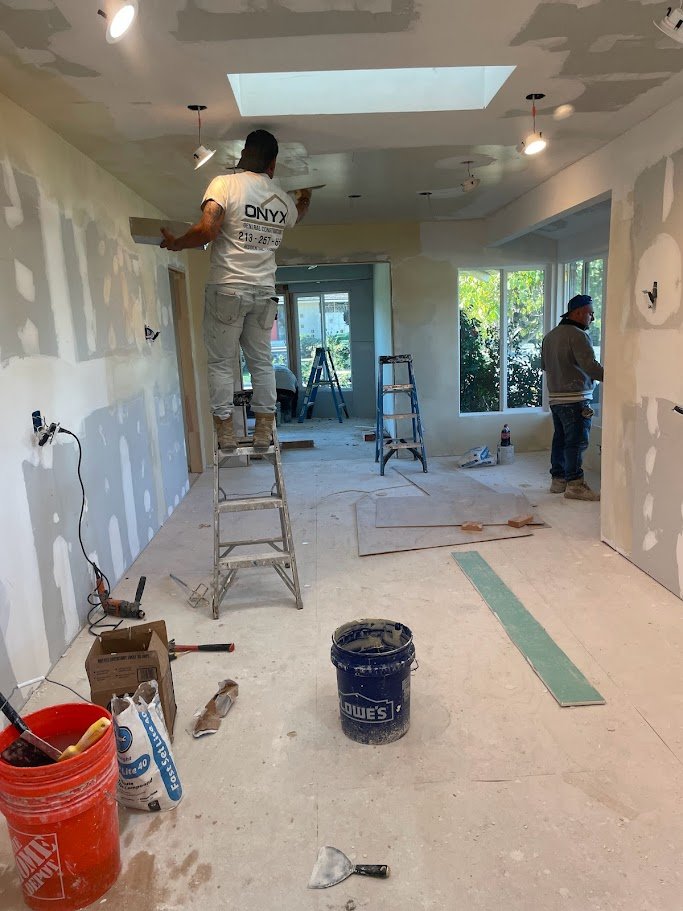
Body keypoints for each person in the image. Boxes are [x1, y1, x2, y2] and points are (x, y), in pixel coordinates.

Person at [160, 130, 312, 452]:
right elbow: (298, 215)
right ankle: (264, 429)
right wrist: (305, 197)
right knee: (262, 363)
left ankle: (226, 431)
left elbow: (208, 229)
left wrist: (176, 243)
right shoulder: (281, 199)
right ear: (272, 165)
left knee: (220, 362)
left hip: (228, 288)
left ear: (244, 154)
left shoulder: (225, 184)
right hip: (264, 294)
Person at [541, 293, 604, 501]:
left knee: (560, 439)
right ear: (577, 313)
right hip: (576, 398)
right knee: (576, 442)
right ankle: (575, 485)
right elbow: (590, 367)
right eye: (590, 314)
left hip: (556, 399)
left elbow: (544, 367)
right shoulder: (578, 335)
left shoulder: (550, 336)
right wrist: (614, 378)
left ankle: (558, 481)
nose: (592, 319)